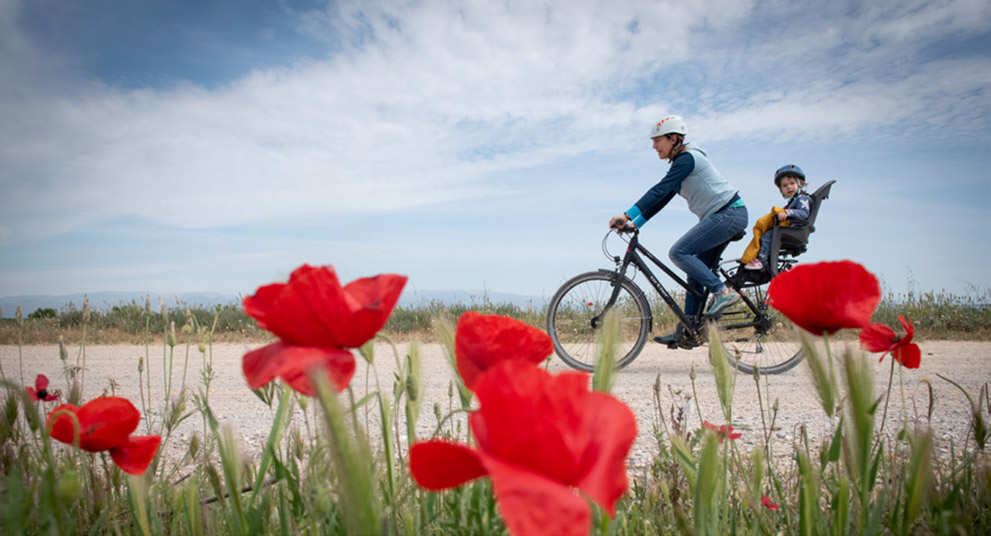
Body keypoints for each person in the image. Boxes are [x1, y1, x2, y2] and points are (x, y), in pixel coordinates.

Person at [609, 115, 748, 343]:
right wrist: (636, 223)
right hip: (722, 216)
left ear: (673, 138)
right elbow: (662, 199)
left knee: (679, 252)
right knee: (695, 272)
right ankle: (688, 329)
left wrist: (626, 214)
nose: (654, 146)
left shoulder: (687, 158)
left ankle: (723, 293)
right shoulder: (680, 164)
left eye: (657, 140)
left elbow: (659, 190)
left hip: (729, 214)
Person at [741, 165, 812, 271]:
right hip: (790, 231)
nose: (789, 187)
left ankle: (762, 259)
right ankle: (759, 257)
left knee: (768, 235)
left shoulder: (803, 198)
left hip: (795, 231)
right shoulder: (793, 202)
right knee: (765, 235)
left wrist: (788, 212)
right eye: (784, 186)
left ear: (800, 184)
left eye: (792, 183)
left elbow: (804, 213)